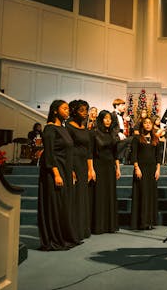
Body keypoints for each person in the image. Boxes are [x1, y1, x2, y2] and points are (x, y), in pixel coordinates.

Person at [37, 100, 80, 251]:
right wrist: (56, 174)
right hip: (54, 171)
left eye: (68, 109)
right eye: (64, 108)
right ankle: (54, 239)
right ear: (55, 111)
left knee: (64, 205)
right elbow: (49, 154)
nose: (68, 111)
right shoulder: (49, 129)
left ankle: (65, 235)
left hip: (65, 170)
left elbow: (67, 152)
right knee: (55, 205)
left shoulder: (63, 128)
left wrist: (72, 171)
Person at [66, 99, 94, 240]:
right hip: (73, 163)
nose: (85, 113)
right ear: (74, 111)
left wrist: (91, 169)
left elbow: (89, 150)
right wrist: (70, 169)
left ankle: (83, 228)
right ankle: (73, 229)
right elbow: (68, 149)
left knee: (83, 196)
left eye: (86, 110)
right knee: (75, 196)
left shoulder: (85, 127)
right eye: (81, 110)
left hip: (83, 164)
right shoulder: (68, 127)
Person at [91, 110, 121, 234]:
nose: (108, 120)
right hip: (98, 165)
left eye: (110, 118)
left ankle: (110, 225)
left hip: (110, 166)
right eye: (105, 118)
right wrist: (91, 169)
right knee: (99, 194)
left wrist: (118, 168)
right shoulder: (94, 133)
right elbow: (91, 153)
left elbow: (116, 153)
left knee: (109, 193)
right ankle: (98, 225)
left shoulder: (113, 134)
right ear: (101, 119)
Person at [130, 117, 161, 230]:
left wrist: (158, 170)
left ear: (152, 125)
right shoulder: (137, 139)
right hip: (141, 169)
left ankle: (150, 221)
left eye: (150, 123)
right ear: (142, 125)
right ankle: (141, 222)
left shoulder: (155, 139)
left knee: (150, 195)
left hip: (152, 169)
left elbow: (158, 156)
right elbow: (133, 155)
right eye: (145, 123)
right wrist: (136, 168)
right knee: (141, 194)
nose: (148, 125)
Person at [112, 98, 131, 163]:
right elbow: (112, 128)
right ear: (117, 106)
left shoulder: (121, 116)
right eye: (122, 105)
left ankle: (123, 159)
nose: (124, 107)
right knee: (133, 139)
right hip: (116, 137)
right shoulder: (113, 115)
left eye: (124, 105)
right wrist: (118, 133)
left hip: (122, 136)